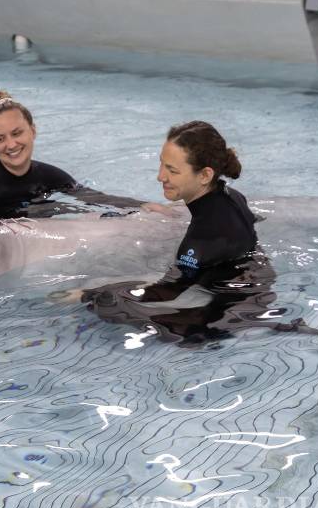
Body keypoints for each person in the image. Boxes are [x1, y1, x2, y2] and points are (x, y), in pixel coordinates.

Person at [79, 120, 283, 343]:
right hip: (259, 284)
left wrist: (92, 293)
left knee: (109, 303)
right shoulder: (232, 196)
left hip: (223, 319)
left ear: (205, 175)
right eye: (162, 165)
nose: (160, 176)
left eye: (172, 170)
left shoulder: (200, 239)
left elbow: (169, 290)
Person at [0, 91, 141, 226]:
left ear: (33, 131)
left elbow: (95, 198)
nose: (11, 145)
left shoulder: (52, 176)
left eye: (17, 133)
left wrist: (145, 207)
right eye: (0, 138)